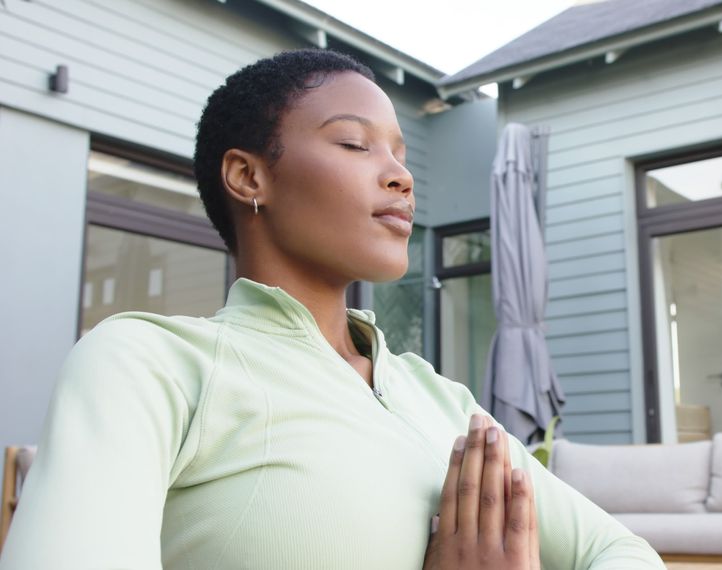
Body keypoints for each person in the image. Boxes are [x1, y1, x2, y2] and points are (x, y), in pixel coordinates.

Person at [0, 49, 664, 569]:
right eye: (354, 144)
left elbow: (623, 552)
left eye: (401, 154)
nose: (401, 176)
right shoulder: (151, 366)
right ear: (249, 177)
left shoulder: (441, 399)